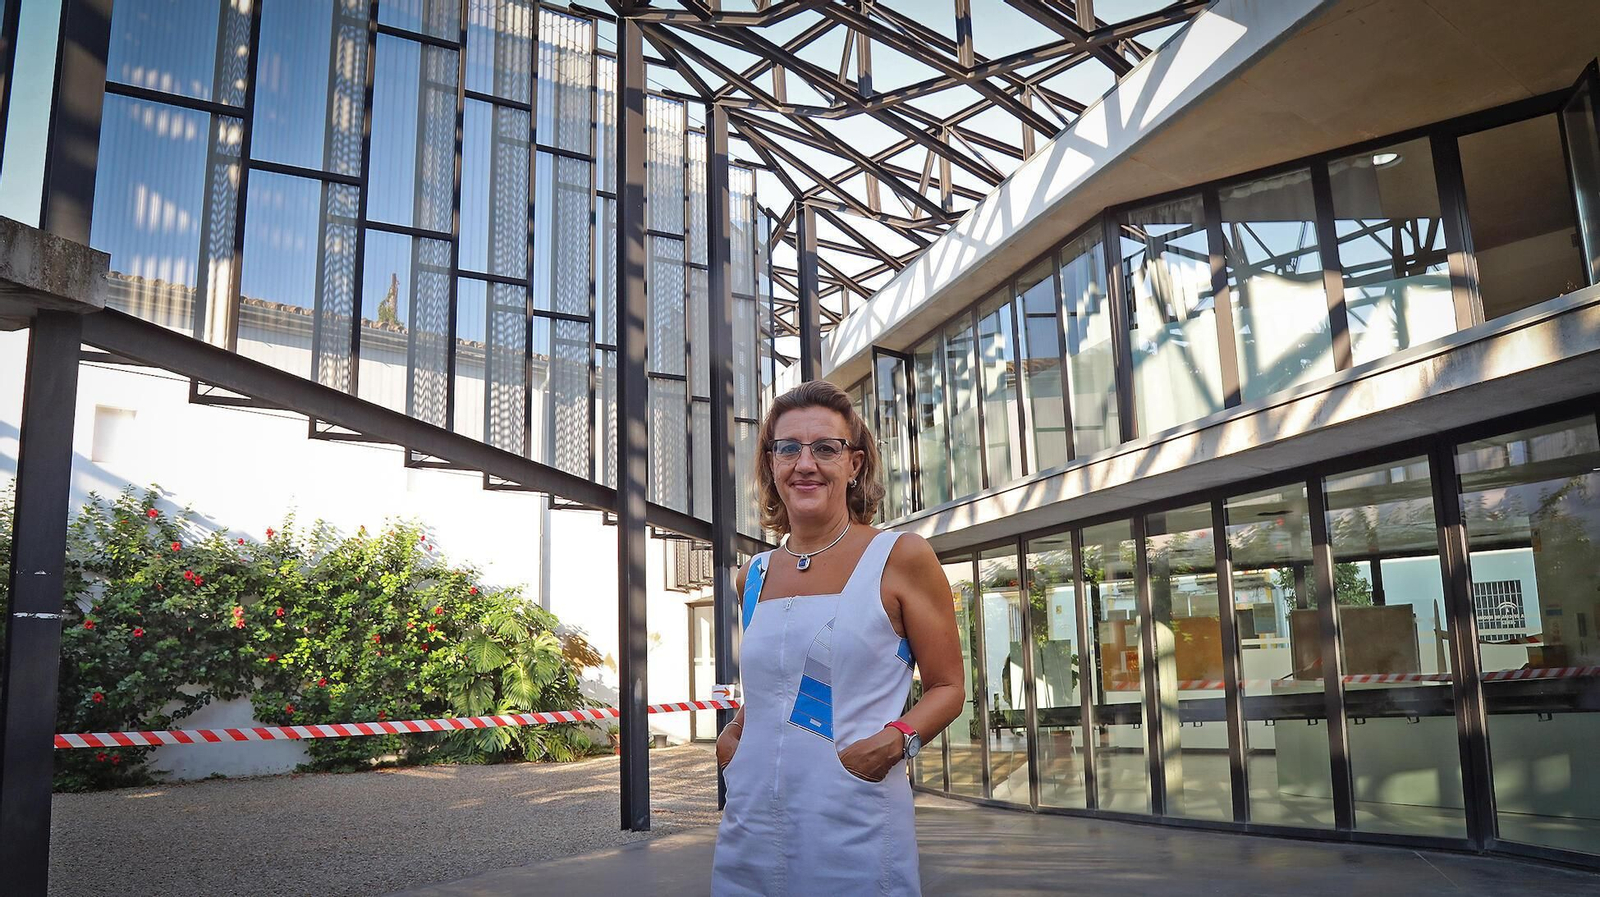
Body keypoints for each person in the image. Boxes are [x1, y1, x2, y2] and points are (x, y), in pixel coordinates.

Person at [711, 380, 964, 896]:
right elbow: (774, 680)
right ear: (771, 464)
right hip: (750, 822)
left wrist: (893, 745)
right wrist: (736, 733)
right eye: (788, 448)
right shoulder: (752, 576)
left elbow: (948, 687)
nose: (805, 464)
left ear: (854, 464)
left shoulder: (901, 557)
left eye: (825, 448)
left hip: (854, 819)